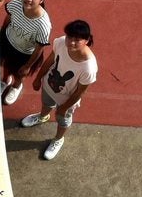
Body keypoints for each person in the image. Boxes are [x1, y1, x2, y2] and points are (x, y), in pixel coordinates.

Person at [22, 19, 98, 161]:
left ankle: (58, 139)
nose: (71, 42)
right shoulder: (61, 42)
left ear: (86, 41)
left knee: (63, 121)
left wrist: (64, 107)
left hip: (66, 99)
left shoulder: (89, 68)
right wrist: (38, 78)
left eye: (77, 40)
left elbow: (80, 92)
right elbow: (50, 61)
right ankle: (42, 117)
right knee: (46, 104)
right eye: (69, 37)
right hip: (49, 85)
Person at [0, 0, 50, 106]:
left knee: (19, 73)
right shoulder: (15, 4)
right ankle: (5, 81)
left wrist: (28, 66)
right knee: (6, 66)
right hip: (9, 43)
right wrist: (2, 34)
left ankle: (16, 86)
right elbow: (8, 18)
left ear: (41, 0)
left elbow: (39, 47)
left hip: (25, 53)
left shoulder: (43, 24)